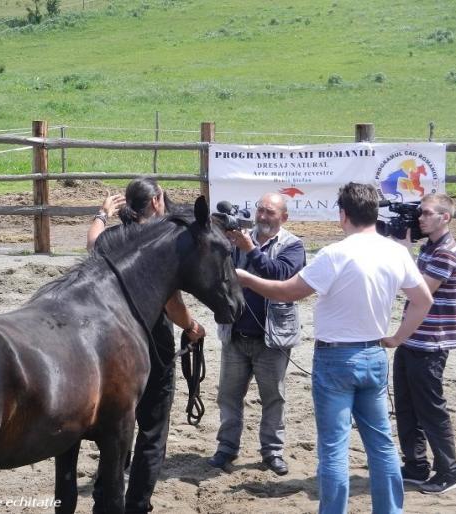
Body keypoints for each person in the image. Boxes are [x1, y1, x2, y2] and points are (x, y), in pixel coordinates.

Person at [234, 182, 433, 514]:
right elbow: (422, 300)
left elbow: (286, 292)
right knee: (381, 444)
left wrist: (247, 277)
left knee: (333, 448)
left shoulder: (335, 254)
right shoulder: (396, 252)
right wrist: (398, 337)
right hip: (373, 353)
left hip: (335, 357)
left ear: (343, 215)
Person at [87, 177, 206, 514]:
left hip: (110, 345)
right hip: (151, 346)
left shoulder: (112, 238)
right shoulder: (158, 243)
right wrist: (192, 326)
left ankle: (105, 499)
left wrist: (101, 214)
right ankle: (137, 504)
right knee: (152, 430)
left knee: (114, 430)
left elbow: (92, 242)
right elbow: (172, 302)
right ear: (156, 202)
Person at [207, 192, 306, 476]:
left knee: (273, 397)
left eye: (270, 212)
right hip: (236, 334)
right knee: (228, 396)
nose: (262, 216)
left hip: (272, 338)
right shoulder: (237, 238)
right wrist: (219, 235)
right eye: (260, 210)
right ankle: (226, 448)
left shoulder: (293, 245)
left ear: (283, 217)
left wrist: (250, 249)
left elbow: (280, 274)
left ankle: (272, 451)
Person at [392, 193, 456, 494]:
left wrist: (403, 254)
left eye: (426, 213)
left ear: (444, 217)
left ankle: (449, 470)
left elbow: (419, 291)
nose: (420, 218)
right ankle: (416, 464)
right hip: (413, 339)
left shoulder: (445, 252)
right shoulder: (430, 248)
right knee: (406, 406)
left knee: (430, 409)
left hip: (431, 344)